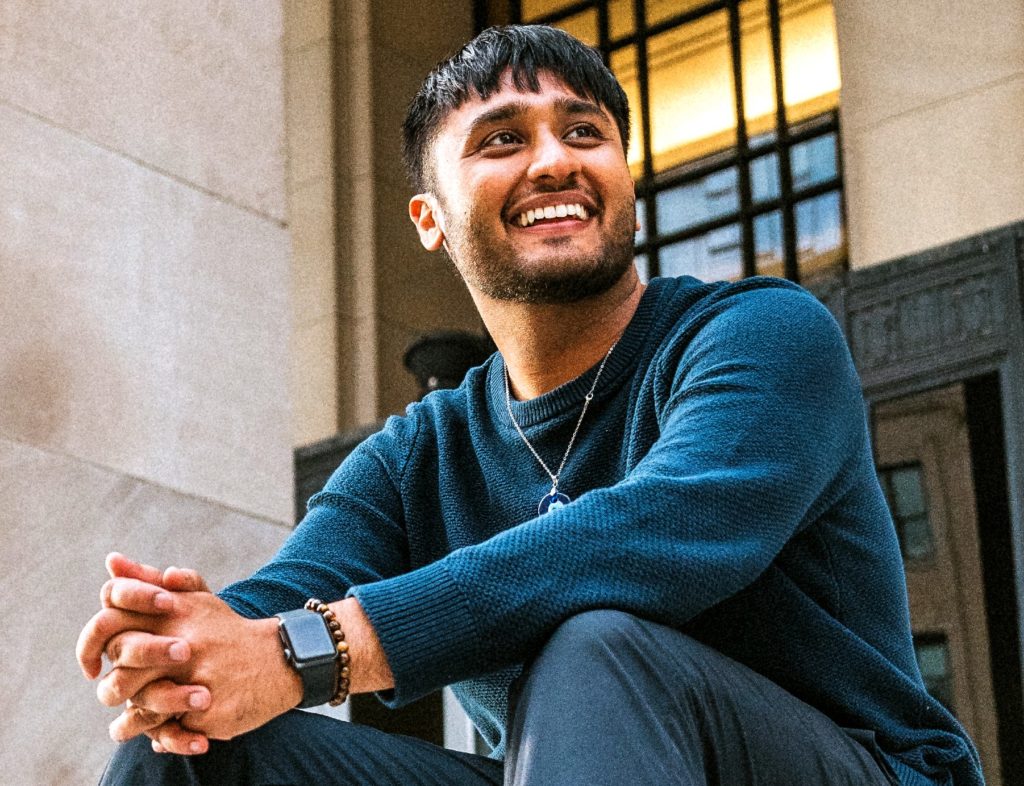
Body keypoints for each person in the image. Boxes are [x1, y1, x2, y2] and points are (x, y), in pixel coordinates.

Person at [77, 24, 984, 786]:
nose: (555, 161)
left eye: (585, 133)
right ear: (430, 220)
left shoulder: (761, 334)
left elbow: (649, 535)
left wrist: (313, 650)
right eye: (502, 139)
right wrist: (180, 655)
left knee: (598, 645)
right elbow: (276, 606)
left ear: (627, 178)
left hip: (863, 768)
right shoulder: (416, 456)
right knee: (191, 745)